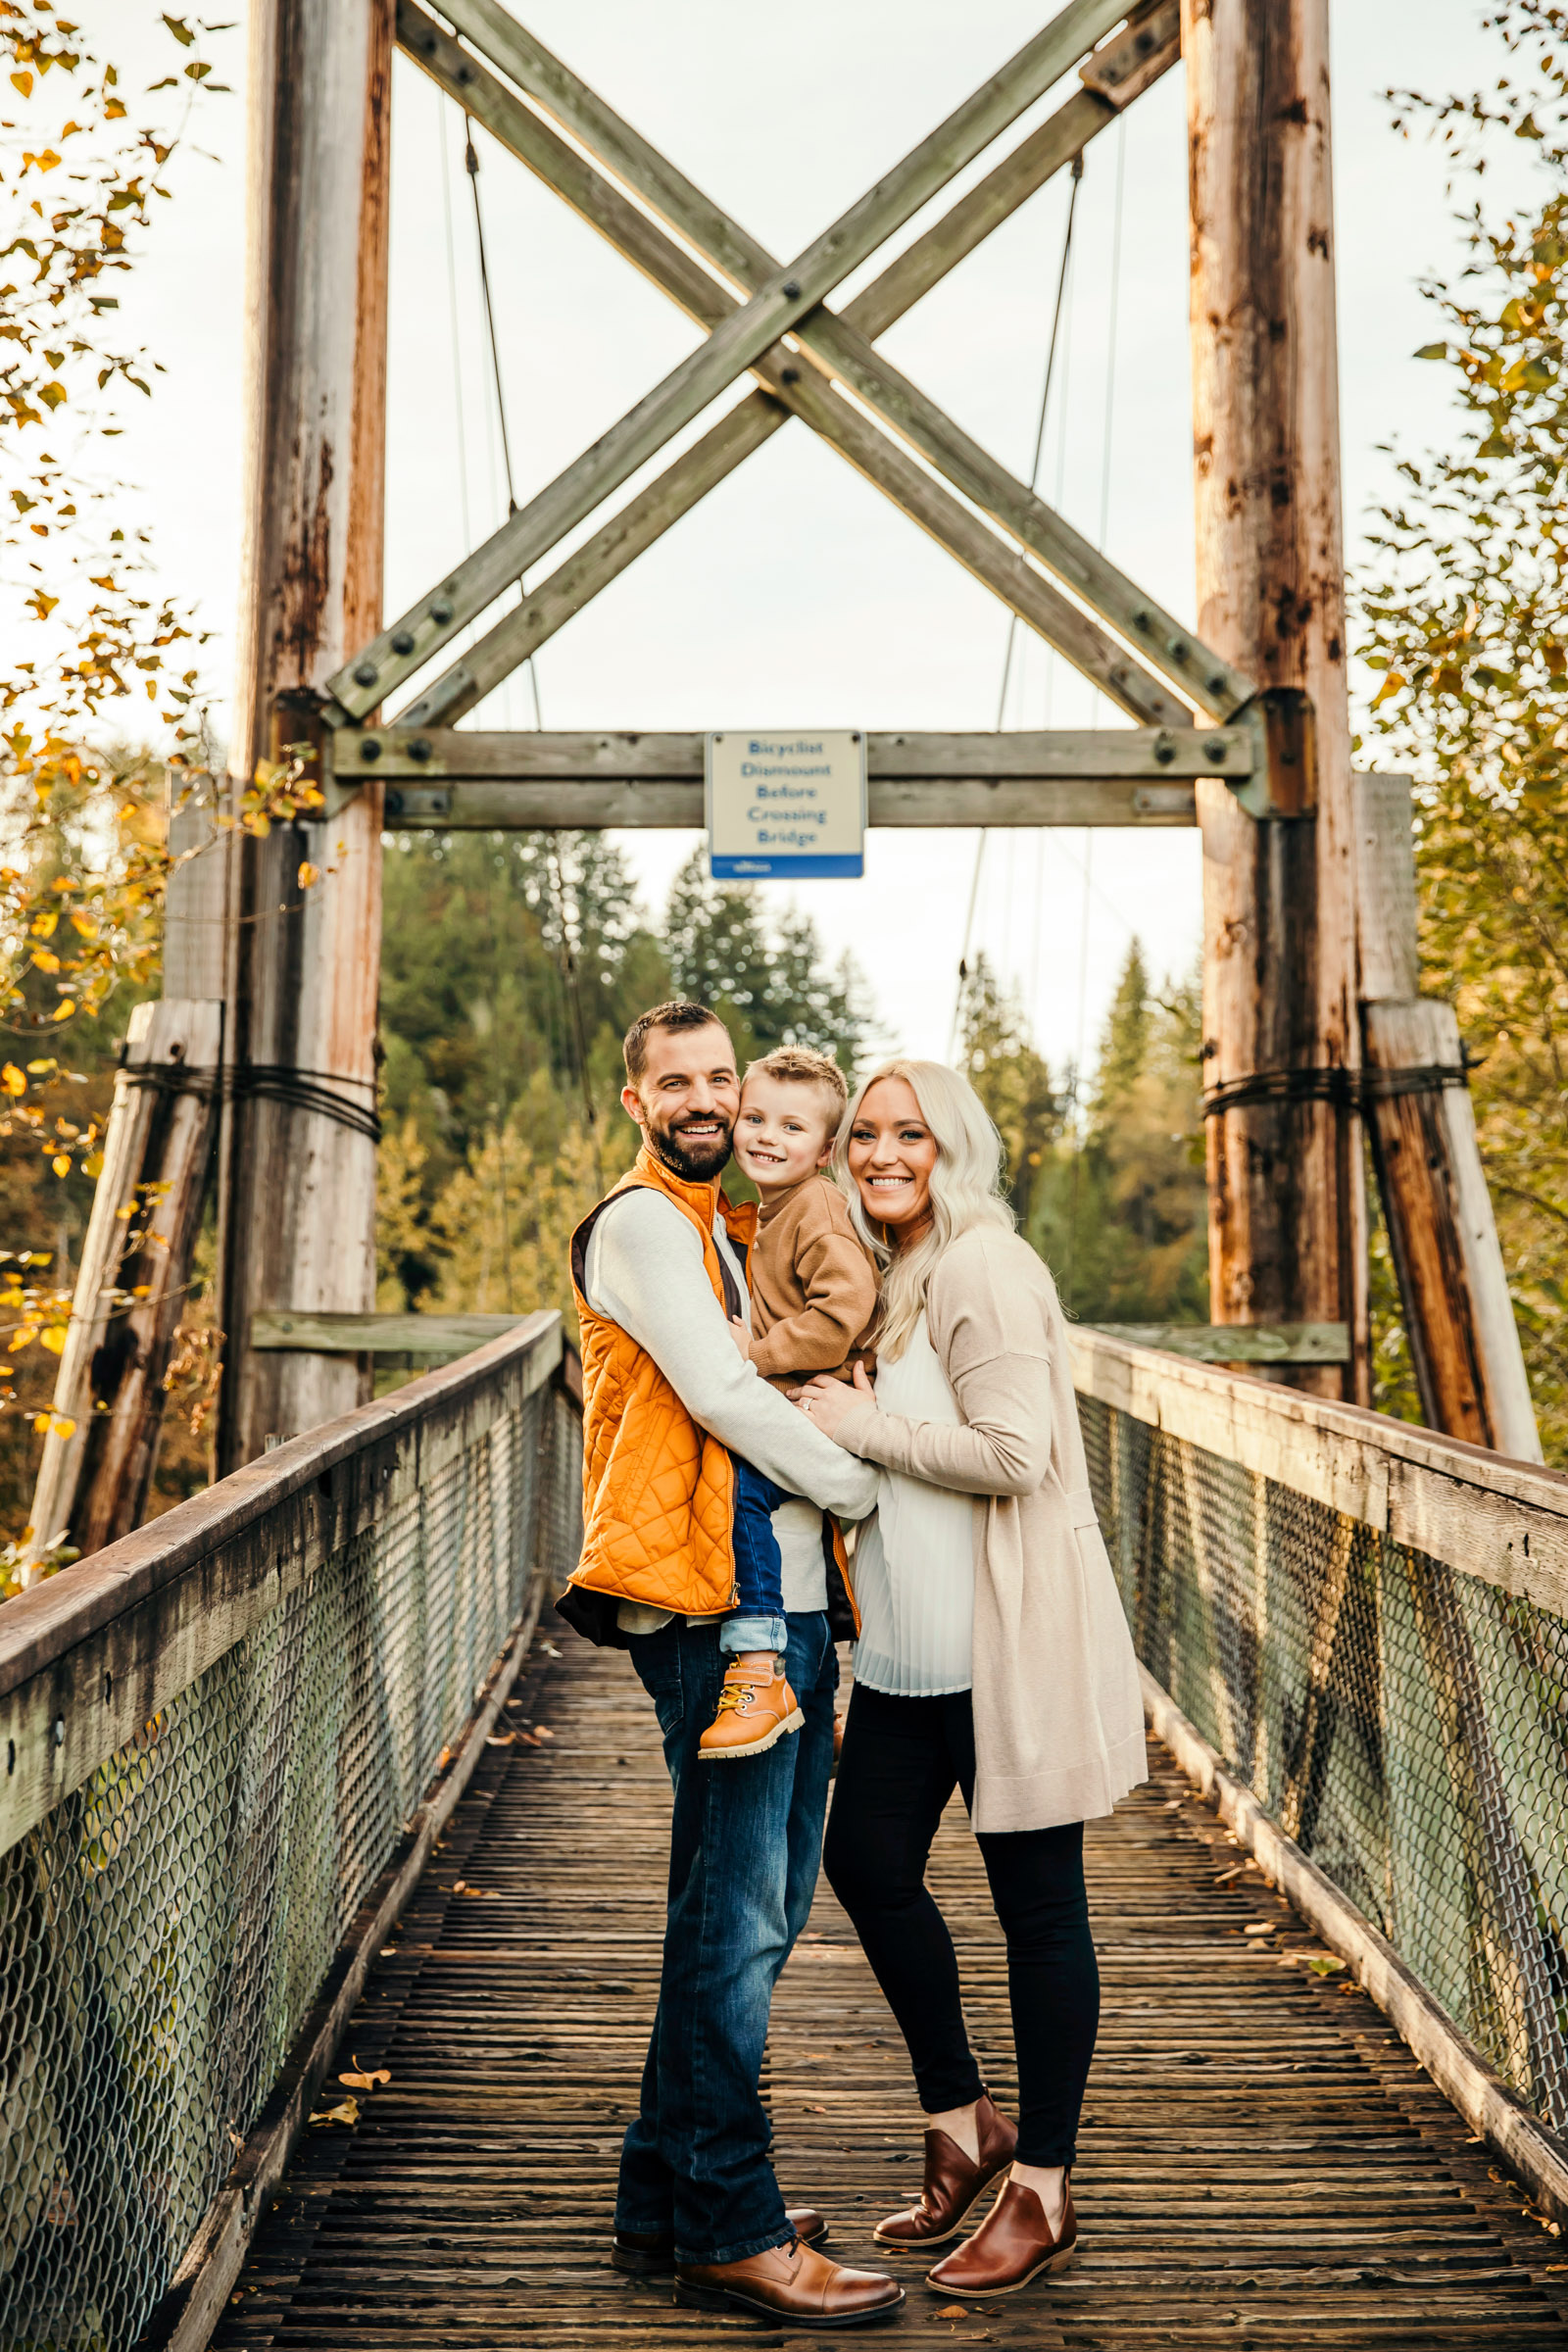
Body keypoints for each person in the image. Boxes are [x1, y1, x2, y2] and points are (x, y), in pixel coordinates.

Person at [560, 1000, 904, 2328]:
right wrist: (862, 1482)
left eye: (722, 1076)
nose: (706, 1100)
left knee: (732, 1907)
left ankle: (670, 2193)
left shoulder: (722, 1223)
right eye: (679, 1084)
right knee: (741, 1919)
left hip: (752, 1594)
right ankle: (730, 2222)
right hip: (718, 1610)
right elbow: (724, 1395)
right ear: (637, 1101)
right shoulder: (646, 1222)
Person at [800, 1057, 1146, 2301]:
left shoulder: (986, 1266)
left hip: (996, 1660)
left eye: (911, 1135)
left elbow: (1012, 1455)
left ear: (957, 1146)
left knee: (1039, 1912)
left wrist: (856, 1423)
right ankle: (962, 2118)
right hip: (905, 1664)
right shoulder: (900, 1279)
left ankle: (1041, 2189)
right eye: (865, 1136)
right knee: (868, 1866)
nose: (882, 1154)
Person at [699, 1045, 878, 1763]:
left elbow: (843, 1309)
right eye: (756, 1118)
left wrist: (757, 1353)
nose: (767, 1137)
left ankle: (758, 1657)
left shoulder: (818, 1208)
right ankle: (833, 1696)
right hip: (797, 1398)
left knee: (740, 1492)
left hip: (815, 1401)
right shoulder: (772, 1210)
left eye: (792, 1128)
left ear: (827, 1150)